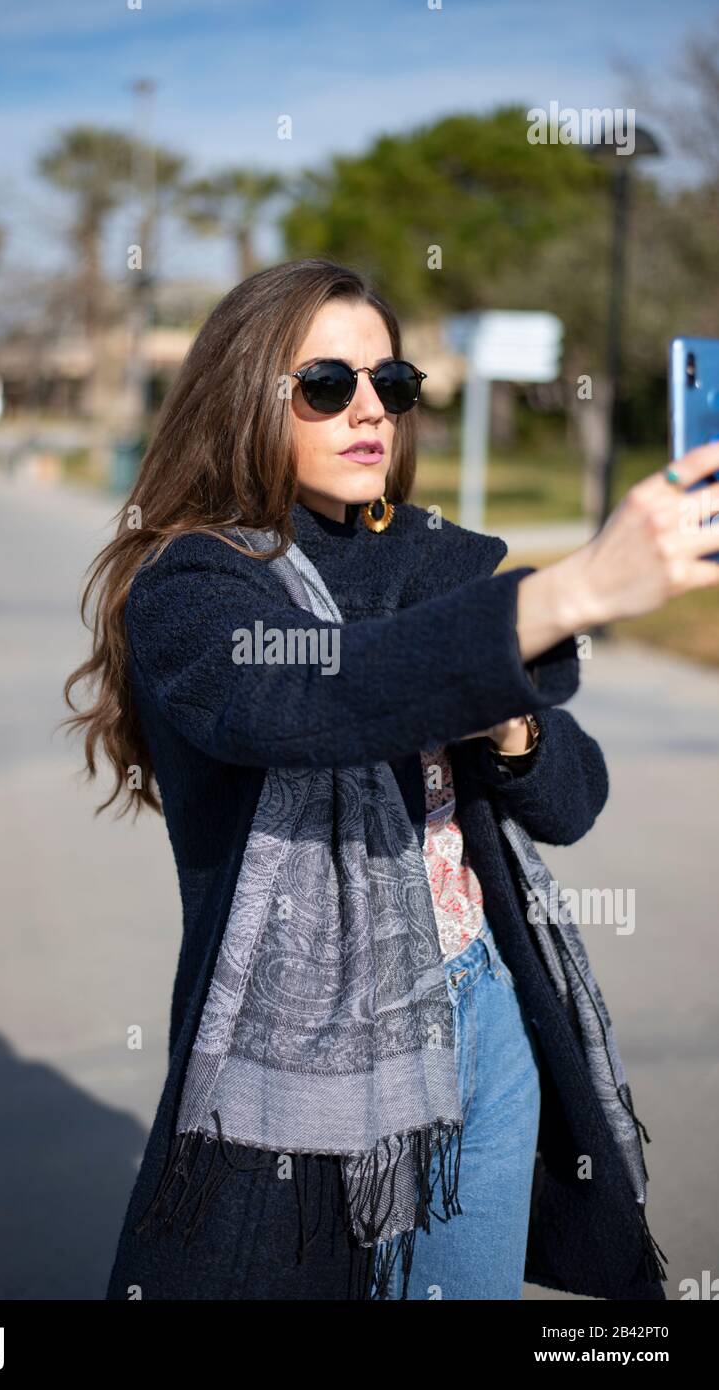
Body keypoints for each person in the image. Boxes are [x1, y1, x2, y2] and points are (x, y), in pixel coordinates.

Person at [63, 257, 719, 1301]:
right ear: (247, 398)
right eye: (327, 385)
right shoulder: (192, 583)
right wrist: (570, 592)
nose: (368, 408)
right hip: (312, 1040)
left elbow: (572, 801)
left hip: (481, 1011)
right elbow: (312, 697)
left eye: (392, 383)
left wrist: (507, 721)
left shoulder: (435, 562)